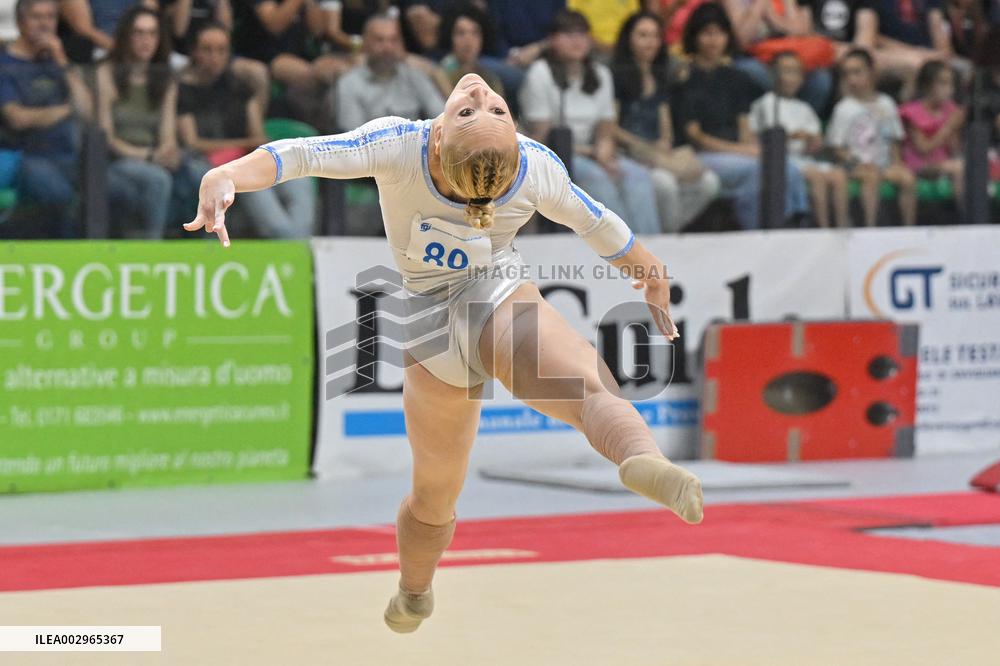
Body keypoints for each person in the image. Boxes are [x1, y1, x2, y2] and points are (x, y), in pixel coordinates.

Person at [186, 71, 705, 633]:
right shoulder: (530, 164)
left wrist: (226, 173)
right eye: (479, 109)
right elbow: (601, 227)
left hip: (440, 321)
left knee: (436, 491)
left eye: (487, 109)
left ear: (438, 139)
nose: (482, 91)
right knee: (581, 389)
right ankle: (635, 454)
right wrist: (650, 274)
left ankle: (414, 592)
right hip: (482, 303)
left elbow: (302, 155)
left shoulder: (405, 144)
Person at [520, 10, 662, 234]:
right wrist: (594, 154)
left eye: (582, 34)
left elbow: (606, 125)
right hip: (556, 155)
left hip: (594, 151)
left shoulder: (600, 73)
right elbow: (542, 136)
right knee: (599, 178)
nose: (577, 41)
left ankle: (650, 248)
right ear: (553, 40)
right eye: (568, 34)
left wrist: (604, 150)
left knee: (637, 176)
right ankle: (619, 249)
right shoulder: (541, 73)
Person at [672, 2, 809, 230]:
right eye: (707, 33)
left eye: (719, 33)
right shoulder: (685, 78)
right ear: (695, 36)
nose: (714, 40)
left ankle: (797, 224)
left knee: (786, 166)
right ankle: (755, 232)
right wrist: (744, 151)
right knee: (756, 170)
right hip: (701, 155)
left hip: (736, 153)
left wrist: (752, 148)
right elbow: (696, 137)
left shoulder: (736, 78)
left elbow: (744, 127)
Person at [178, 23, 316, 237]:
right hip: (212, 167)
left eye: (221, 50)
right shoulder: (183, 90)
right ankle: (292, 245)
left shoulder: (241, 87)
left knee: (300, 181)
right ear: (195, 52)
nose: (215, 56)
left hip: (247, 160)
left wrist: (249, 148)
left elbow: (258, 136)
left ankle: (298, 241)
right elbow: (193, 142)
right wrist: (242, 145)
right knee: (269, 209)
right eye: (207, 49)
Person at [612, 10, 719, 231]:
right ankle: (666, 242)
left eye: (655, 36)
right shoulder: (616, 75)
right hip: (627, 152)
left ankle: (666, 234)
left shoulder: (660, 75)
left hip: (656, 152)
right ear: (629, 39)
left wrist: (664, 142)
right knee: (666, 184)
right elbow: (611, 127)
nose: (650, 42)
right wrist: (642, 147)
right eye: (643, 35)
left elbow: (664, 121)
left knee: (709, 182)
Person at [0, 0, 92, 237]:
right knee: (60, 193)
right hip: (23, 155)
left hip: (67, 155)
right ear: (20, 22)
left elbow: (87, 110)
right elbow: (18, 118)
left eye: (50, 17)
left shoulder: (59, 63)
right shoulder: (5, 64)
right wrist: (67, 110)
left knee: (110, 189)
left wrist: (62, 62)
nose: (45, 24)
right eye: (37, 17)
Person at [96, 5, 189, 238]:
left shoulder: (166, 77)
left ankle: (207, 252)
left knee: (200, 173)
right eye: (138, 33)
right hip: (114, 162)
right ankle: (150, 251)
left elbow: (168, 133)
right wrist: (147, 156)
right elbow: (107, 137)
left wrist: (167, 151)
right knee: (157, 180)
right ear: (125, 37)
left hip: (152, 157)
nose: (146, 40)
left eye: (152, 33)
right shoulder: (106, 73)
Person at [749, 51, 850, 227]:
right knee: (816, 176)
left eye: (796, 73)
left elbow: (816, 141)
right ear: (773, 75)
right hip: (781, 162)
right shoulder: (764, 104)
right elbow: (760, 137)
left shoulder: (805, 108)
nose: (792, 78)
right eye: (786, 71)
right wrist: (792, 136)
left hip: (805, 159)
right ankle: (823, 228)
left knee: (839, 175)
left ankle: (842, 228)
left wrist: (814, 142)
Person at [827, 48, 916, 226]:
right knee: (871, 178)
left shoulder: (887, 104)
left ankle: (909, 229)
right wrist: (856, 163)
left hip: (884, 165)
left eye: (857, 72)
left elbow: (894, 140)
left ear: (871, 72)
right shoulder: (844, 108)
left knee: (907, 178)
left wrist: (896, 163)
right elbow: (836, 148)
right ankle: (870, 229)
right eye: (847, 74)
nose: (852, 79)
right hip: (856, 167)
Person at [335, 14, 445, 130]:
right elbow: (352, 134)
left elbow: (441, 117)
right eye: (380, 40)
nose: (388, 47)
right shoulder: (349, 83)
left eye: (393, 40)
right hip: (370, 146)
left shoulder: (415, 76)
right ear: (366, 43)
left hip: (416, 145)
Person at [722, 0, 834, 113]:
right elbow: (742, 40)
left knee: (821, 79)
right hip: (756, 60)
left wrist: (774, 19)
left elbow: (801, 31)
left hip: (790, 58)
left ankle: (802, 121)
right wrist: (759, 5)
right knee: (750, 69)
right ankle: (783, 118)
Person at [899, 59, 965, 206]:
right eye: (943, 83)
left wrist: (955, 130)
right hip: (918, 165)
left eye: (950, 84)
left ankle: (963, 214)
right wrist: (948, 127)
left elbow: (954, 149)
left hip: (944, 164)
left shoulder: (950, 110)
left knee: (964, 166)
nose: (949, 90)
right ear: (928, 85)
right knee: (958, 169)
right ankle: (967, 220)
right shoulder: (911, 111)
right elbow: (923, 148)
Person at [438, 2, 504, 95]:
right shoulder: (442, 74)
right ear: (449, 37)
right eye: (460, 33)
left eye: (475, 33)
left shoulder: (490, 78)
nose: (468, 41)